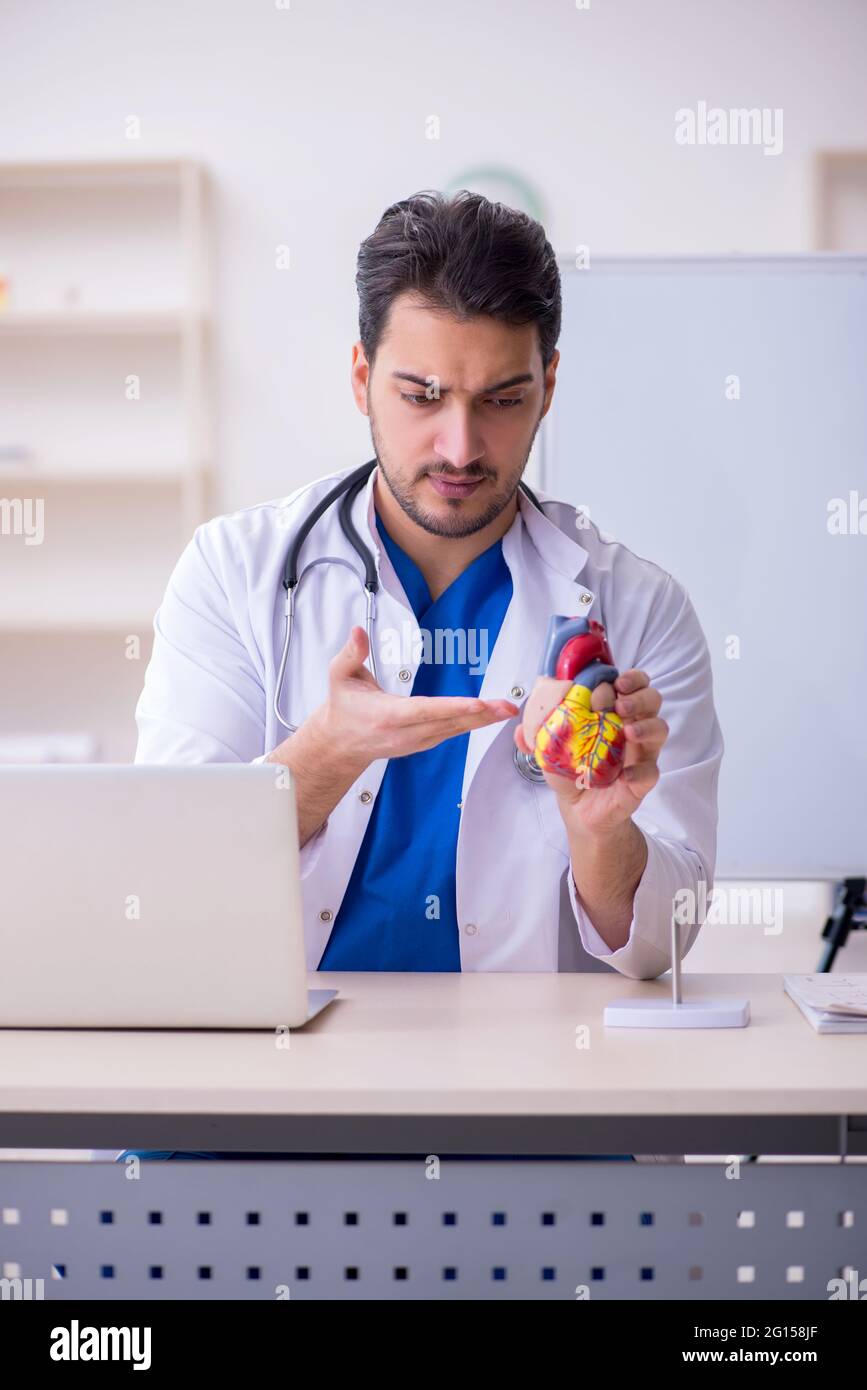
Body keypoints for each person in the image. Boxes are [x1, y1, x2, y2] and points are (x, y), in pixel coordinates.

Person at [120, 190, 722, 1163]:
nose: (460, 446)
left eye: (501, 399)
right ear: (361, 377)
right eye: (421, 395)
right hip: (260, 1100)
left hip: (531, 1110)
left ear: (550, 385)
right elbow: (162, 888)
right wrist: (322, 756)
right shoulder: (234, 574)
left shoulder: (637, 607)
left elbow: (667, 942)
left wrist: (601, 834)